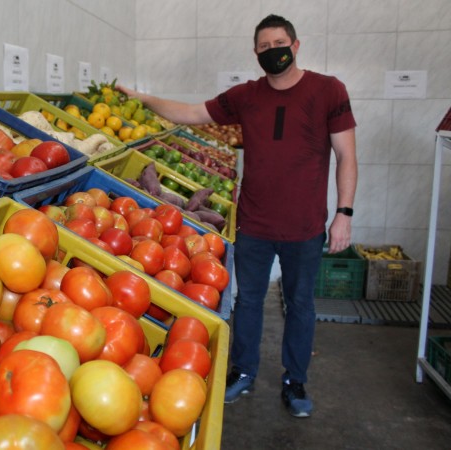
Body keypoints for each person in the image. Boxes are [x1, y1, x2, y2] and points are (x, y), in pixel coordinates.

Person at [118, 14, 357, 418]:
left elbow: (347, 156)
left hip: (305, 227)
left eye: (279, 43)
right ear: (255, 53)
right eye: (264, 47)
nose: (272, 52)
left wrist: (344, 214)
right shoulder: (246, 96)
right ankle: (243, 371)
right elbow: (190, 113)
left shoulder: (329, 91)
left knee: (300, 304)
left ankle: (294, 380)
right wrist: (142, 97)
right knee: (248, 301)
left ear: (296, 46)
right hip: (255, 225)